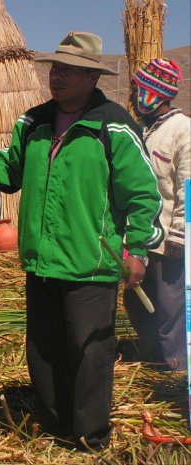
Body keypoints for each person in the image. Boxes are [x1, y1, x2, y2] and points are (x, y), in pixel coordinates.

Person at [0, 32, 163, 450]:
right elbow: (12, 165)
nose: (57, 78)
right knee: (43, 348)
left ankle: (89, 437)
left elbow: (142, 195)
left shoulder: (113, 125)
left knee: (89, 353)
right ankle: (53, 427)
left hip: (90, 261)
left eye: (69, 71)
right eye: (55, 69)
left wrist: (137, 250)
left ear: (92, 77)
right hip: (41, 259)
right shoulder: (34, 121)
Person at [124, 58, 189, 372]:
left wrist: (180, 233)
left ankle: (174, 371)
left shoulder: (183, 130)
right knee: (137, 302)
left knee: (168, 306)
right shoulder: (142, 131)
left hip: (167, 239)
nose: (132, 94)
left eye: (136, 88)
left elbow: (186, 185)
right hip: (140, 235)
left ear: (152, 92)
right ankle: (150, 359)